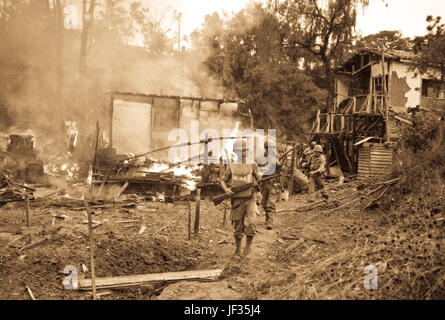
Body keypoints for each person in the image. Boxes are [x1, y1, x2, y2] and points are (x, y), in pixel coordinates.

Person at [220, 138, 261, 258]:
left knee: (252, 223)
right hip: (237, 199)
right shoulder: (232, 166)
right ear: (235, 152)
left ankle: (247, 247)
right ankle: (237, 249)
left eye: (244, 150)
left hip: (250, 198)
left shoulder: (253, 164)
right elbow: (223, 179)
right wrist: (226, 190)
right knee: (238, 225)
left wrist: (258, 188)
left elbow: (259, 180)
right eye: (240, 150)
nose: (242, 153)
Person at [258, 139, 282, 230]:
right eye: (268, 148)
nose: (269, 150)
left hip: (273, 183)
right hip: (264, 183)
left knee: (270, 203)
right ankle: (267, 218)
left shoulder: (275, 157)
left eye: (271, 148)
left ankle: (270, 221)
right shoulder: (262, 157)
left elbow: (276, 166)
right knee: (263, 203)